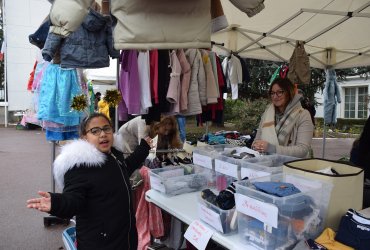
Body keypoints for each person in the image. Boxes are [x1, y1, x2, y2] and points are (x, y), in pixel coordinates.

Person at [26, 113, 152, 250]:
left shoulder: (114, 154)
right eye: (95, 131)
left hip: (125, 236)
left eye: (106, 128)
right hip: (100, 242)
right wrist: (56, 202)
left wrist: (143, 149)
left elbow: (124, 169)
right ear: (84, 137)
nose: (103, 134)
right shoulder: (79, 167)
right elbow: (73, 200)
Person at [252, 78, 314, 158]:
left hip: (291, 167)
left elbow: (303, 150)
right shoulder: (267, 113)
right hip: (267, 165)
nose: (275, 96)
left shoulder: (303, 115)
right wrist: (256, 146)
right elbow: (257, 140)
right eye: (272, 93)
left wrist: (272, 149)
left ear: (289, 93)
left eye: (280, 92)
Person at [115, 115, 182, 155]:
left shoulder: (157, 127)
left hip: (133, 136)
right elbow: (143, 146)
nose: (167, 133)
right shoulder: (144, 124)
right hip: (125, 137)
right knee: (131, 160)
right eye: (165, 130)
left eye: (169, 131)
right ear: (159, 125)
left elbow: (176, 143)